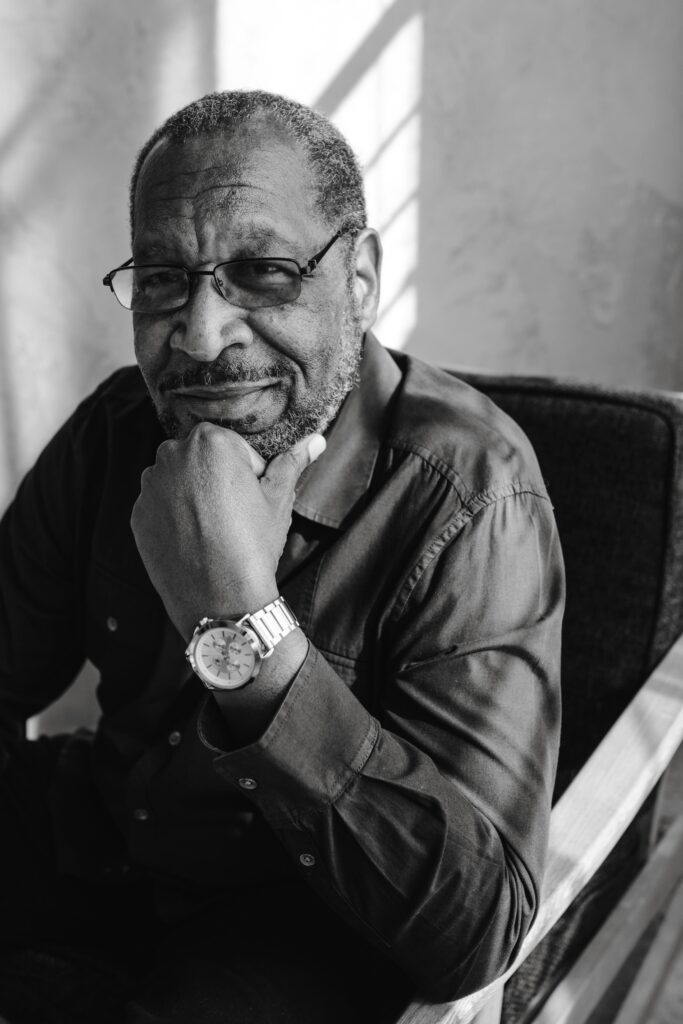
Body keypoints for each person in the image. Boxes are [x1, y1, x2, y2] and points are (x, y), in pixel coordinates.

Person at [0, 90, 564, 1024]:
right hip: (104, 834)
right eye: (162, 279)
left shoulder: (471, 492)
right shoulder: (118, 428)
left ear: (360, 278)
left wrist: (237, 620)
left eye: (261, 272)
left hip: (306, 915)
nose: (200, 335)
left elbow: (477, 927)